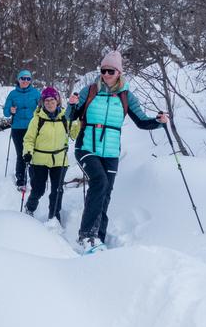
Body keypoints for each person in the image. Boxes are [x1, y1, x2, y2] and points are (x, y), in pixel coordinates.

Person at [67, 51, 169, 252]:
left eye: (110, 71)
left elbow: (141, 121)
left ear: (119, 72)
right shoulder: (90, 91)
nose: (106, 74)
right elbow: (71, 116)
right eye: (103, 70)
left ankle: (99, 237)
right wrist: (71, 105)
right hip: (86, 146)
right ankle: (86, 235)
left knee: (105, 193)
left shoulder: (126, 96)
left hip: (111, 152)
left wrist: (158, 122)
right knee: (99, 182)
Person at [22, 87, 79, 226]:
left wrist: (77, 121)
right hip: (39, 160)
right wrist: (28, 152)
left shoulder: (65, 117)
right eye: (46, 100)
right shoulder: (37, 119)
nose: (49, 103)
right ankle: (30, 208)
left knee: (57, 191)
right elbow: (28, 139)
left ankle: (54, 217)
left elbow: (73, 135)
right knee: (38, 189)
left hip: (60, 159)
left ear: (57, 100)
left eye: (52, 99)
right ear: (42, 102)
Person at [3, 69, 41, 189]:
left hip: (32, 128)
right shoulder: (12, 94)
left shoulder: (36, 93)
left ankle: (35, 179)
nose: (25, 81)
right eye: (23, 78)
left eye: (28, 79)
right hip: (17, 128)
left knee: (33, 153)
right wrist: (10, 110)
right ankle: (21, 179)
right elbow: (5, 112)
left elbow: (43, 108)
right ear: (18, 80)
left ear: (30, 81)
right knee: (21, 154)